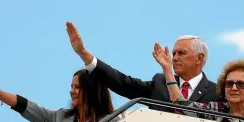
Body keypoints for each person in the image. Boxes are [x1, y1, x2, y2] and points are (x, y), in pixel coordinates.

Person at [66, 22, 221, 113]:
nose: (174, 58)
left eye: (181, 53)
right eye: (174, 53)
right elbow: (123, 83)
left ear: (199, 58)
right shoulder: (159, 83)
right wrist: (83, 53)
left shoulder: (217, 93)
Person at [152, 43, 244, 122]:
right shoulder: (216, 109)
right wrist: (167, 70)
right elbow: (181, 104)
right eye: (229, 84)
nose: (234, 88)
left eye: (240, 84)